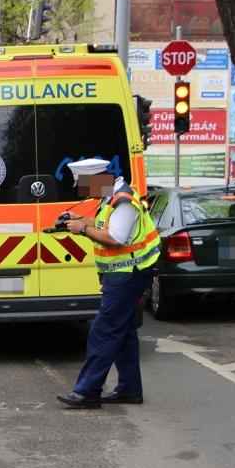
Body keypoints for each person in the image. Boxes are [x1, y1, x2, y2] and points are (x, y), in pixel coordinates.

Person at [55, 158, 160, 409]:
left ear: (97, 181)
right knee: (123, 333)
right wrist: (79, 218)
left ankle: (87, 391)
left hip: (128, 275)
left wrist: (81, 229)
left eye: (83, 186)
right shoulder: (111, 198)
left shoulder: (123, 201)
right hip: (124, 274)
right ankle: (129, 389)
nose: (82, 192)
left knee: (103, 332)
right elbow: (105, 225)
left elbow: (115, 237)